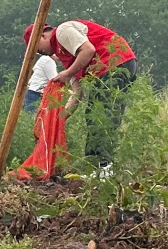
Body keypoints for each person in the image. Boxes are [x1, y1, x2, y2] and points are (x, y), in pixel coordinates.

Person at [40, 17, 137, 169]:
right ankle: (96, 166)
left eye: (38, 49)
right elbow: (77, 93)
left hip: (115, 61)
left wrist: (67, 73)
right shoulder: (67, 54)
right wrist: (59, 119)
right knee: (95, 114)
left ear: (42, 35)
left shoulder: (62, 31)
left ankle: (102, 167)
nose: (42, 54)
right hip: (117, 65)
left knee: (101, 115)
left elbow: (89, 49)